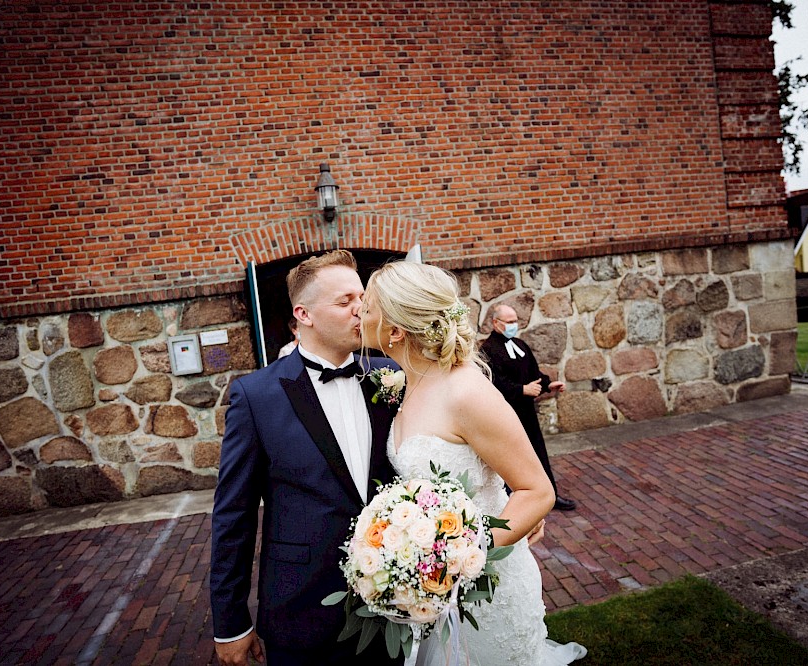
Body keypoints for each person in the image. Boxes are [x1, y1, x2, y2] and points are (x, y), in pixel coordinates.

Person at [360, 261, 586, 666]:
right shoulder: (405, 380)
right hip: (438, 592)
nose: (359, 310)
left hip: (487, 587)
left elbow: (537, 490)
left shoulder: (465, 391)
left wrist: (454, 561)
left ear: (395, 331)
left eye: (368, 304)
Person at [210, 250, 402, 666]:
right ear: (305, 314)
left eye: (362, 297)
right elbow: (234, 517)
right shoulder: (256, 396)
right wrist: (230, 622)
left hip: (398, 603)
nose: (361, 309)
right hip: (303, 609)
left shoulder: (391, 375)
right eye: (345, 300)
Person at [481, 304, 577, 512]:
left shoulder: (520, 345)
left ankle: (550, 496)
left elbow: (533, 374)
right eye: (509, 322)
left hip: (527, 413)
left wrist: (547, 384)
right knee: (512, 458)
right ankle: (513, 503)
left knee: (538, 454)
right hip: (507, 414)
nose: (514, 325)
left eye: (516, 321)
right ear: (496, 323)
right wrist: (521, 389)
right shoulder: (488, 350)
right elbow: (492, 382)